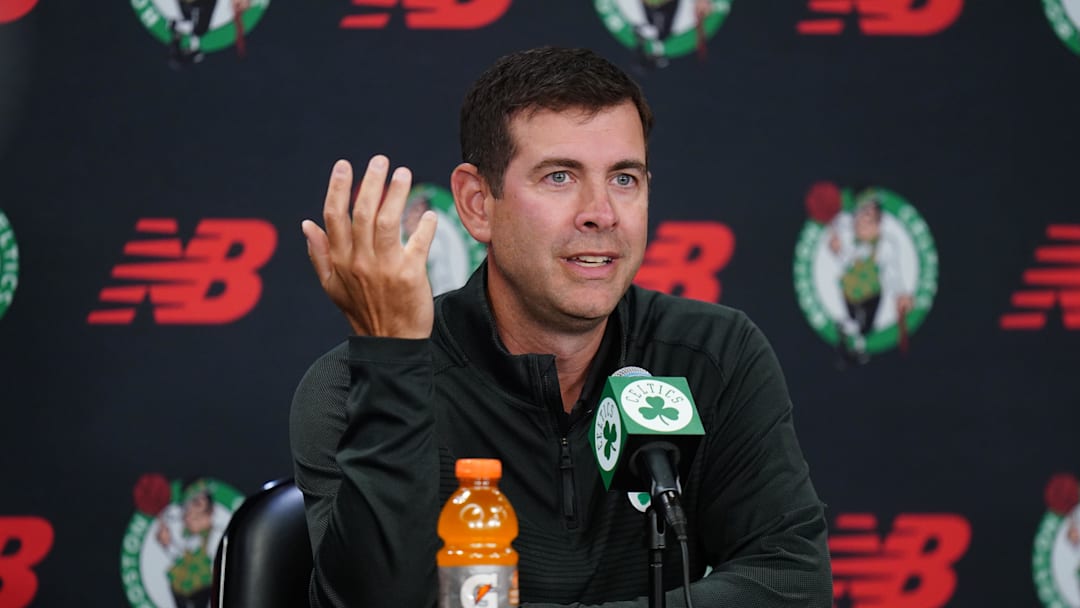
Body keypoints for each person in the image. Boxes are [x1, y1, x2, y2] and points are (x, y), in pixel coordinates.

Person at [291, 46, 831, 607]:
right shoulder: (353, 388)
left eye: (624, 178)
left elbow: (789, 582)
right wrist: (391, 359)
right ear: (478, 204)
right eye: (559, 177)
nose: (601, 212)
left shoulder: (713, 355)